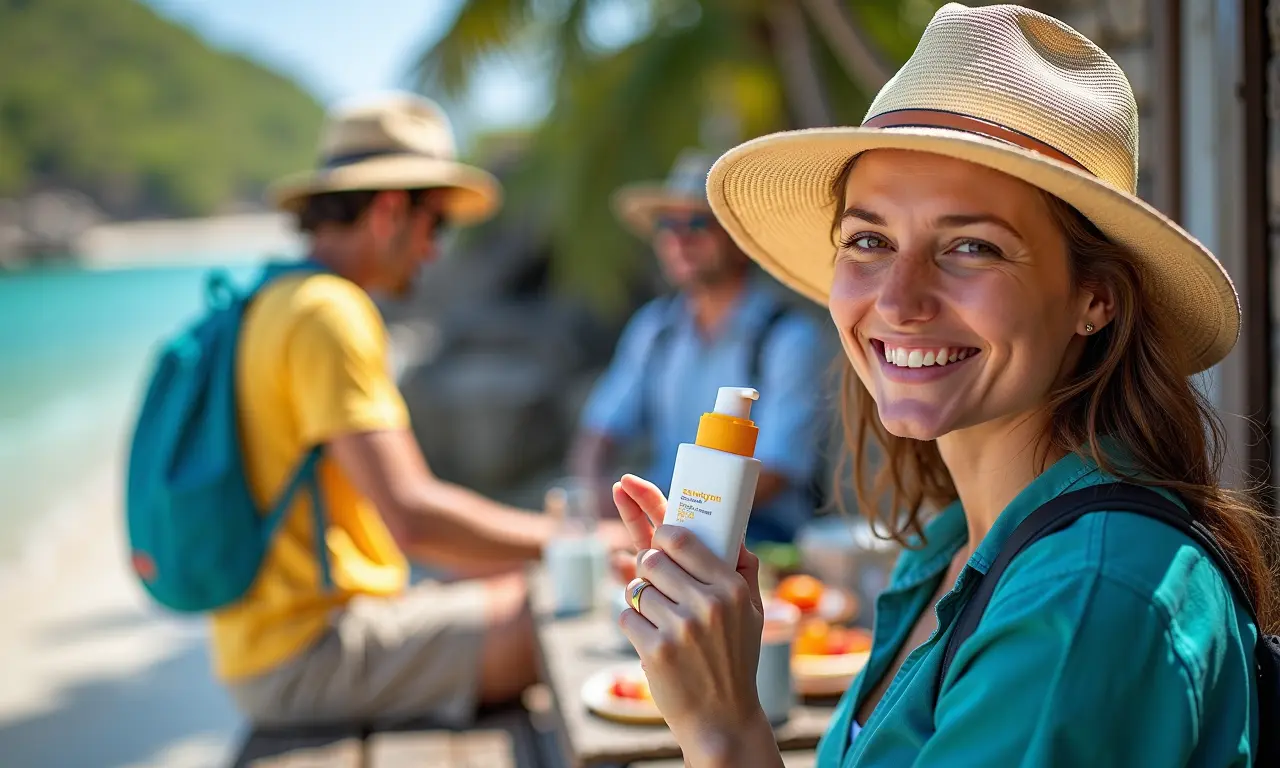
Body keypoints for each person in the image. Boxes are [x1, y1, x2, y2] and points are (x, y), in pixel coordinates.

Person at [610, 5, 1273, 766]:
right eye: (869, 240)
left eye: (971, 246)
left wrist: (723, 727)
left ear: (1096, 298)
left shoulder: (1088, 600)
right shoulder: (953, 547)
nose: (898, 300)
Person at [214, 92, 629, 727]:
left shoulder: (273, 300)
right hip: (312, 653)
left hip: (268, 643)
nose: (435, 251)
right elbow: (414, 518)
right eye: (436, 224)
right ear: (387, 212)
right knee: (581, 604)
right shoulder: (331, 313)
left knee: (534, 592)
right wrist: (587, 541)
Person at [571, 149, 832, 548]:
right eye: (667, 224)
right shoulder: (654, 328)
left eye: (697, 223)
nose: (679, 238)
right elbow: (600, 431)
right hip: (666, 524)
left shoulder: (789, 337)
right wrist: (596, 500)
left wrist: (669, 523)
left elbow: (777, 474)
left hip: (760, 533)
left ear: (741, 239)